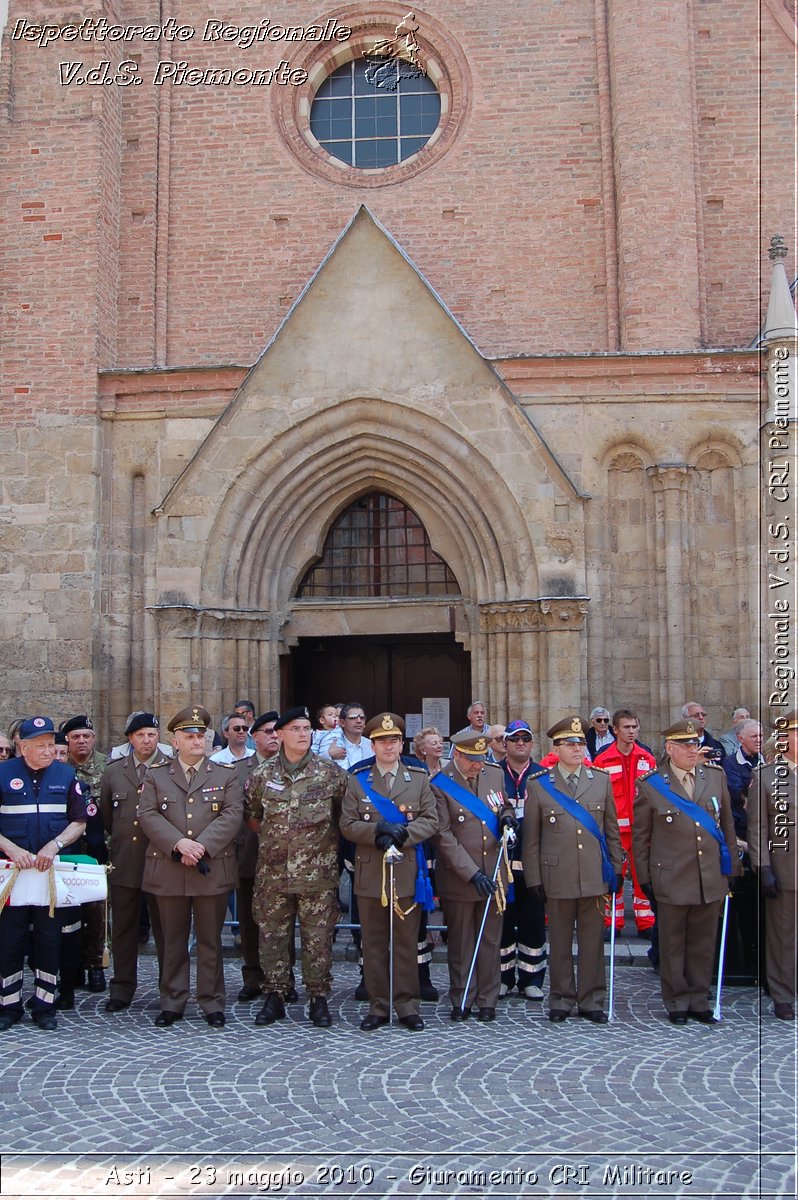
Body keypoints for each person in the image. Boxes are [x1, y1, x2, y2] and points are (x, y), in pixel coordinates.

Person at [138, 705, 243, 1027]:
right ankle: (172, 1000)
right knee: (172, 940)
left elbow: (232, 815)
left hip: (209, 868)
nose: (197, 740)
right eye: (189, 736)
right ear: (175, 741)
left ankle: (212, 1002)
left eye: (201, 735)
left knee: (211, 940)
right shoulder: (156, 775)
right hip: (169, 869)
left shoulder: (227, 775)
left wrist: (201, 847)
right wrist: (179, 844)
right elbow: (148, 814)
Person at [633, 717, 739, 1025]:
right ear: (670, 748)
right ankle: (676, 1000)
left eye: (694, 743)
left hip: (709, 875)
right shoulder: (652, 784)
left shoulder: (714, 777)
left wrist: (732, 865)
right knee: (673, 942)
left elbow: (727, 825)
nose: (693, 749)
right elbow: (641, 838)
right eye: (685, 744)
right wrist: (645, 878)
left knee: (703, 942)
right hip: (672, 876)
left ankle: (698, 997)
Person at [244, 706, 345, 1029]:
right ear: (280, 734)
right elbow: (253, 816)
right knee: (272, 937)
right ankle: (275, 994)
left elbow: (343, 817)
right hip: (273, 875)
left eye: (306, 728)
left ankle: (318, 997)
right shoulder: (263, 775)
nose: (303, 734)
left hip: (317, 876)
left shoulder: (330, 773)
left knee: (318, 940)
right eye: (296, 729)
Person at [341, 713, 438, 1030]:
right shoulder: (358, 780)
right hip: (371, 872)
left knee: (407, 944)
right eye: (382, 741)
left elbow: (430, 820)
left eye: (394, 740)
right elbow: (347, 824)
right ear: (373, 745)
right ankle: (379, 1007)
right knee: (374, 943)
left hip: (406, 870)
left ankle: (408, 1006)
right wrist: (377, 831)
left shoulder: (418, 778)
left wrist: (403, 835)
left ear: (402, 743)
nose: (389, 746)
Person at [524, 716, 623, 1023]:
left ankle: (592, 999)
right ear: (557, 748)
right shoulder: (540, 785)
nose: (578, 749)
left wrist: (617, 868)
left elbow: (611, 830)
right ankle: (562, 998)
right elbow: (532, 839)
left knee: (593, 942)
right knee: (561, 941)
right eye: (570, 744)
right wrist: (533, 877)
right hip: (557, 874)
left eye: (581, 743)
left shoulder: (601, 781)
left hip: (593, 874)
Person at [0, 717, 87, 1030]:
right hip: (13, 874)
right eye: (41, 745)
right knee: (10, 940)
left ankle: (44, 1005)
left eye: (52, 744)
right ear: (23, 747)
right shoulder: (2, 773)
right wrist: (11, 849)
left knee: (49, 940)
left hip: (49, 873)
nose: (49, 750)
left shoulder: (66, 774)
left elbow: (79, 821)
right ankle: (8, 1005)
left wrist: (55, 844)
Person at [432, 730, 518, 1021]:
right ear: (457, 755)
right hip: (460, 876)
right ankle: (462, 997)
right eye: (471, 760)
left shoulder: (493, 774)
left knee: (491, 939)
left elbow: (502, 803)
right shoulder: (441, 784)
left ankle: (487, 999)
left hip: (494, 872)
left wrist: (508, 816)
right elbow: (443, 836)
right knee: (462, 941)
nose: (477, 766)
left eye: (480, 759)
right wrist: (471, 873)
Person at [99, 712, 168, 1012]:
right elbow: (106, 817)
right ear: (130, 739)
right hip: (125, 862)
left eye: (152, 734)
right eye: (140, 735)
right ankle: (122, 987)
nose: (146, 740)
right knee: (123, 928)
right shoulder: (114, 772)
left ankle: (170, 988)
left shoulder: (170, 768)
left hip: (162, 863)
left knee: (166, 929)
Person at [748, 710, 797, 1020]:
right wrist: (762, 867)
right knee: (782, 937)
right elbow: (757, 828)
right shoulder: (766, 777)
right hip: (786, 868)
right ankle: (782, 994)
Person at [496, 719, 547, 1000]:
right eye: (515, 739)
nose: (520, 743)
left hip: (533, 861)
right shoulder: (493, 774)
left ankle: (532, 978)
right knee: (502, 920)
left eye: (525, 739)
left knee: (533, 920)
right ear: (505, 744)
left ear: (531, 744)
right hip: (500, 861)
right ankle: (503, 976)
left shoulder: (543, 777)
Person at [594, 709, 657, 937]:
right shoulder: (603, 759)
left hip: (641, 829)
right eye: (627, 727)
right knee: (614, 875)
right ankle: (612, 921)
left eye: (634, 727)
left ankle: (646, 921)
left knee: (642, 875)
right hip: (615, 830)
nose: (632, 732)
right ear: (615, 730)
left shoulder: (646, 758)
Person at [61, 714, 109, 993]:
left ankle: (95, 966)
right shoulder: (58, 767)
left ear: (93, 738)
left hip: (97, 850)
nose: (81, 741)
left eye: (86, 736)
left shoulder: (108, 768)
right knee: (67, 909)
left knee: (96, 910)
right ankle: (71, 965)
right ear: (67, 740)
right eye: (75, 737)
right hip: (66, 849)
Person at [235, 710, 280, 1003]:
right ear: (254, 737)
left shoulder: (293, 769)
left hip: (285, 860)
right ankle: (253, 977)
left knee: (283, 923)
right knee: (251, 923)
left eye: (278, 731)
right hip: (249, 855)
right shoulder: (238, 771)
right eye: (268, 731)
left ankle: (282, 979)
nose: (274, 736)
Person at [722, 719, 764, 840]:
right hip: (742, 825)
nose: (759, 740)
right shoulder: (730, 763)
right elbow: (736, 791)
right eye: (754, 736)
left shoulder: (767, 759)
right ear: (741, 739)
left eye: (761, 735)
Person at [317, 702, 373, 768]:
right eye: (353, 717)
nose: (359, 721)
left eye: (362, 717)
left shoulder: (372, 745)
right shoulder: (331, 743)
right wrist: (328, 754)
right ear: (342, 722)